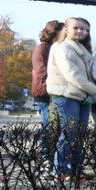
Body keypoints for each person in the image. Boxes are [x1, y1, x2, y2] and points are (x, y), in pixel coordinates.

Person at [46, 17, 96, 178]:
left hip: (80, 95)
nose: (81, 31)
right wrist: (94, 90)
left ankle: (75, 168)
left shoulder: (81, 49)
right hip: (66, 95)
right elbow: (71, 74)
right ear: (66, 30)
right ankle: (59, 169)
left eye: (85, 29)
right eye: (77, 28)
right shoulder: (62, 48)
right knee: (69, 132)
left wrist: (89, 92)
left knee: (79, 134)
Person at [31, 19, 63, 154]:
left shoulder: (57, 47)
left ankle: (50, 154)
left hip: (54, 91)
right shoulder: (42, 48)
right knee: (48, 126)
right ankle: (45, 156)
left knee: (55, 126)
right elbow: (42, 70)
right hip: (45, 92)